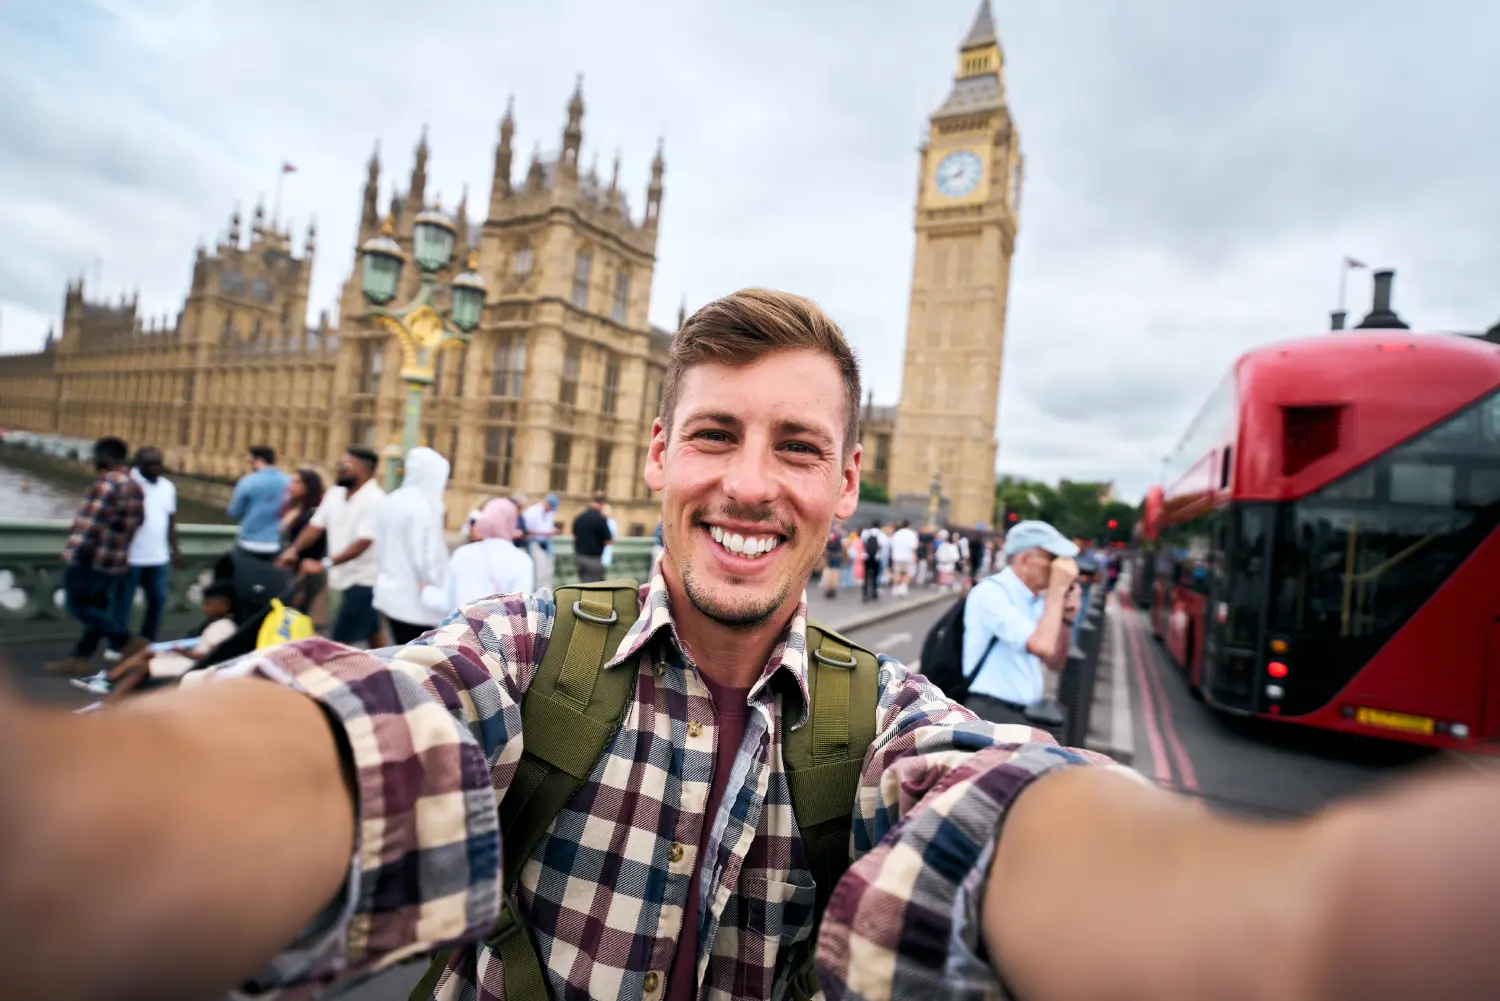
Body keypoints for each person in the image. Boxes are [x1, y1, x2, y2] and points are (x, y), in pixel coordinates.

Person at [9, 289, 1500, 1001]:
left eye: (800, 445)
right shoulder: (525, 639)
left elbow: (1010, 815)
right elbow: (365, 732)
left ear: (849, 486)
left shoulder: (889, 717)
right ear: (659, 456)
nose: (750, 480)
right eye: (716, 433)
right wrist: (80, 830)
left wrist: (1301, 921)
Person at [960, 520, 1082, 727]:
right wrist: (1056, 593)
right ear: (1025, 559)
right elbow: (1041, 645)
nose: (1058, 568)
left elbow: (1055, 662)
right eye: (1052, 558)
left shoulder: (1037, 601)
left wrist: (1067, 619)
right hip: (991, 712)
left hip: (1023, 713)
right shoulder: (991, 593)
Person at [44, 436, 146, 675]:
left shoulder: (107, 483)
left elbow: (90, 525)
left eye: (96, 455)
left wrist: (72, 551)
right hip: (116, 559)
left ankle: (125, 640)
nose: (93, 459)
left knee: (77, 605)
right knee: (98, 607)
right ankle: (80, 658)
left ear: (106, 457)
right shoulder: (134, 485)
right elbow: (134, 522)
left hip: (92, 559)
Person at [277, 445, 386, 648]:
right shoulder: (335, 493)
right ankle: (395, 668)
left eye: (346, 464)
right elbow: (315, 526)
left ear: (364, 470)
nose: (339, 468)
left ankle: (338, 676)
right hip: (344, 577)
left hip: (366, 580)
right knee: (374, 634)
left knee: (339, 640)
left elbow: (364, 541)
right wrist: (294, 549)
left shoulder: (376, 500)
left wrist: (324, 563)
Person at [72, 581, 238, 703]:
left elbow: (212, 655)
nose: (204, 608)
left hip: (195, 663)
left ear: (224, 605)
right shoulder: (215, 623)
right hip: (190, 657)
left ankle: (110, 698)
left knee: (142, 667)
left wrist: (183, 651)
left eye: (208, 604)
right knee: (147, 653)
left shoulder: (224, 626)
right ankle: (109, 680)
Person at [372, 447, 451, 645]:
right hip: (415, 601)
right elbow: (425, 556)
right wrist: (435, 587)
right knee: (416, 658)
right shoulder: (423, 507)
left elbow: (378, 546)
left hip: (389, 592)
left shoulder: (390, 500)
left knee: (399, 647)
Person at [125, 446, 179, 644]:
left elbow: (170, 521)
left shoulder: (167, 487)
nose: (158, 468)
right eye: (152, 465)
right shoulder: (128, 483)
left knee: (158, 600)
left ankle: (147, 640)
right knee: (123, 603)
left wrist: (175, 550)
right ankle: (117, 644)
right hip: (130, 557)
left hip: (159, 557)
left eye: (159, 463)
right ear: (139, 465)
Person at [444, 497, 534, 608]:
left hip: (462, 623)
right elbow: (520, 609)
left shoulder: (462, 553)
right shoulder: (522, 560)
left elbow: (446, 603)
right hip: (498, 624)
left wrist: (425, 590)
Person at [228, 445, 292, 560]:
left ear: (259, 460)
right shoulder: (289, 481)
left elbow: (234, 512)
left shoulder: (248, 481)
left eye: (251, 461)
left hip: (249, 541)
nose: (250, 465)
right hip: (277, 542)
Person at [279, 467, 326, 614]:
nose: (290, 486)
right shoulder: (291, 507)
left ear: (308, 487)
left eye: (297, 482)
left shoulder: (314, 514)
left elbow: (316, 546)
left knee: (296, 614)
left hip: (304, 572)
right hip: (288, 569)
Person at [571, 492, 613, 584]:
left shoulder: (579, 518)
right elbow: (608, 541)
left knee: (583, 586)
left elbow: (575, 538)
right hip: (594, 559)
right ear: (602, 504)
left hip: (580, 558)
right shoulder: (601, 519)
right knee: (594, 588)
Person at [521, 493, 561, 591]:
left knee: (548, 572)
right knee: (539, 572)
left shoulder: (549, 513)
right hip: (535, 543)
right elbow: (526, 531)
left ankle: (547, 593)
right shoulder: (532, 512)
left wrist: (552, 531)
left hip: (547, 544)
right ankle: (538, 593)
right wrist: (545, 533)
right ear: (546, 503)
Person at [889, 519, 918, 597]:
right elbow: (913, 546)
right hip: (907, 556)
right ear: (909, 526)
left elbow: (892, 544)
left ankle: (895, 588)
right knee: (906, 573)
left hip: (896, 556)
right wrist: (914, 556)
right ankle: (903, 587)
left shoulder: (896, 534)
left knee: (897, 573)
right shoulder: (911, 534)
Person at [859, 520, 883, 601]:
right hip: (877, 557)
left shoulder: (866, 533)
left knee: (866, 575)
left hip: (867, 556)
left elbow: (862, 542)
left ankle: (865, 592)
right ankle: (874, 592)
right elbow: (883, 544)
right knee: (875, 576)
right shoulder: (880, 533)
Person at [820, 522, 844, 597]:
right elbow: (843, 545)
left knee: (829, 571)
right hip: (837, 554)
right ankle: (832, 589)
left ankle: (828, 589)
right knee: (835, 572)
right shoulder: (839, 533)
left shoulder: (829, 532)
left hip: (829, 554)